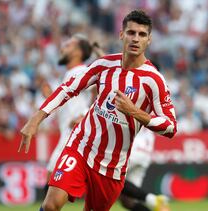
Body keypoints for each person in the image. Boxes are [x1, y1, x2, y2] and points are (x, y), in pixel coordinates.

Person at [18, 10, 177, 211]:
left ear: (149, 40)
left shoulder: (154, 81)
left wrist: (135, 112)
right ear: (121, 35)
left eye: (142, 34)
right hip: (81, 147)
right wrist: (36, 119)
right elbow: (69, 88)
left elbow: (170, 127)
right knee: (50, 205)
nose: (135, 38)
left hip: (112, 167)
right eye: (131, 32)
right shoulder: (104, 64)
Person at [41, 34, 104, 192]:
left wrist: (84, 113)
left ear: (77, 52)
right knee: (53, 183)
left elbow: (100, 90)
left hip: (75, 135)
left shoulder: (82, 71)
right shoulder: (70, 74)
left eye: (68, 45)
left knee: (52, 181)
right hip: (69, 133)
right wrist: (50, 96)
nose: (62, 48)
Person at [119, 127, 169, 211]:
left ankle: (152, 199)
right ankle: (157, 204)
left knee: (113, 177)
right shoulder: (150, 116)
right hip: (145, 155)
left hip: (133, 151)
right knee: (128, 200)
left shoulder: (135, 114)